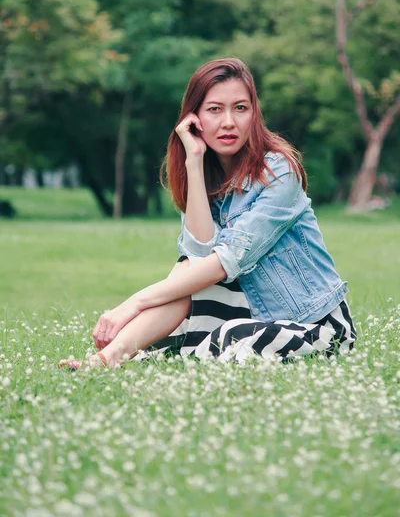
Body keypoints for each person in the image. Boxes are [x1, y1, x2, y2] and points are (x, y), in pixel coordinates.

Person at [60, 58, 356, 369]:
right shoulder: (210, 179)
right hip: (260, 315)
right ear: (195, 117)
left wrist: (133, 303)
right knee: (188, 296)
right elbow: (196, 257)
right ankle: (104, 361)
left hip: (316, 325)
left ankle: (149, 355)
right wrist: (194, 160)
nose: (228, 122)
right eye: (215, 109)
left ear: (254, 114)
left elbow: (228, 259)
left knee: (228, 336)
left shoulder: (280, 171)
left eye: (240, 108)